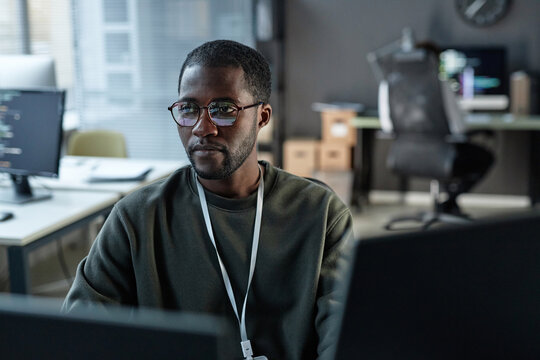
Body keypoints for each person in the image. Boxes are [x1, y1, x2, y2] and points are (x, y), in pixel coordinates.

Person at [62, 40, 353, 360]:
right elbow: (78, 334)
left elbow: (346, 335)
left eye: (224, 109)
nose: (203, 128)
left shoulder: (320, 213)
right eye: (189, 109)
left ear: (262, 117)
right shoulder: (137, 218)